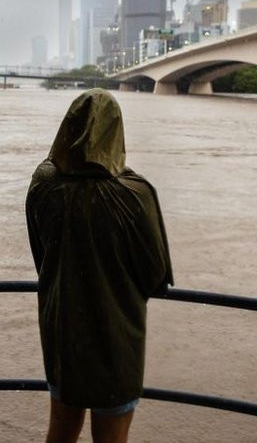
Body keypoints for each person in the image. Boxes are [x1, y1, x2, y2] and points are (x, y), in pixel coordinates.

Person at [26, 89, 174, 443]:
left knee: (61, 429)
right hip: (116, 335)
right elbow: (155, 276)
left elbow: (40, 256)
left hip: (62, 329)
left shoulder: (44, 183)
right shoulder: (135, 193)